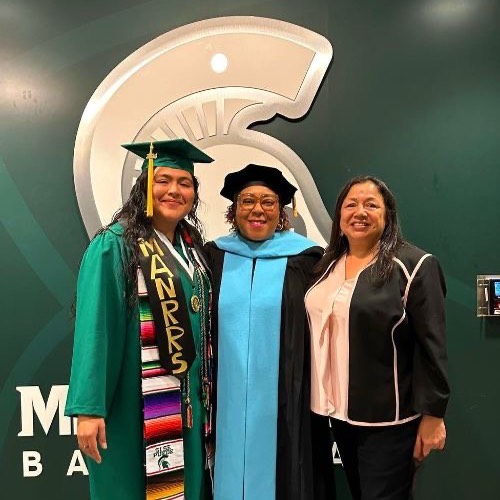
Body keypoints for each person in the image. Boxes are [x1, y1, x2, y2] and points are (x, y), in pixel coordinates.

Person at [65, 138, 214, 500]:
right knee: (130, 487)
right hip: (133, 403)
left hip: (187, 404)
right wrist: (88, 409)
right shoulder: (115, 244)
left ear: (194, 193)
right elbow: (94, 329)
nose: (173, 190)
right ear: (144, 186)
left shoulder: (191, 247)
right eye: (162, 180)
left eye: (184, 183)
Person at [305, 175, 450, 500]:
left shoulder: (413, 265)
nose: (360, 212)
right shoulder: (326, 265)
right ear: (339, 215)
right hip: (337, 414)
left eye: (371, 205)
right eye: (351, 204)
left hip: (388, 421)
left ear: (388, 217)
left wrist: (434, 415)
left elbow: (432, 347)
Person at [204, 164, 335, 500]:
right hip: (224, 394)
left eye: (268, 202)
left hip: (286, 396)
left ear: (281, 211)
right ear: (234, 210)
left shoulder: (306, 260)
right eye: (247, 201)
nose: (257, 209)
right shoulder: (213, 256)